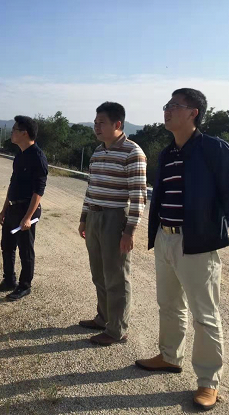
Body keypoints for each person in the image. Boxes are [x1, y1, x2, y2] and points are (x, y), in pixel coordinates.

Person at [135, 88, 229, 411]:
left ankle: (208, 382)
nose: (166, 110)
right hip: (165, 238)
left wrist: (210, 230)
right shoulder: (168, 152)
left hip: (196, 242)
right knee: (168, 304)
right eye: (166, 104)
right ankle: (170, 357)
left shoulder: (213, 148)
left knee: (204, 315)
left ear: (193, 113)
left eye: (174, 105)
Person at [78, 102, 147, 346]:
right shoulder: (98, 152)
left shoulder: (132, 152)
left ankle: (117, 329)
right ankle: (103, 317)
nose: (96, 127)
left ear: (117, 124)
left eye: (102, 123)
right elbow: (91, 188)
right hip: (95, 216)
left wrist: (129, 231)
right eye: (95, 123)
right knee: (98, 273)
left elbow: (139, 196)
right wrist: (84, 217)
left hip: (115, 218)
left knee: (117, 276)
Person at [0, 115, 48, 301]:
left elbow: (38, 191)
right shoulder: (19, 155)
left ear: (24, 133)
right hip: (13, 209)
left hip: (27, 210)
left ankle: (25, 285)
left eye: (14, 129)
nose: (11, 132)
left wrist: (28, 217)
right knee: (7, 246)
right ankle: (9, 280)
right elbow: (12, 184)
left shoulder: (38, 157)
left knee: (25, 250)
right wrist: (4, 209)